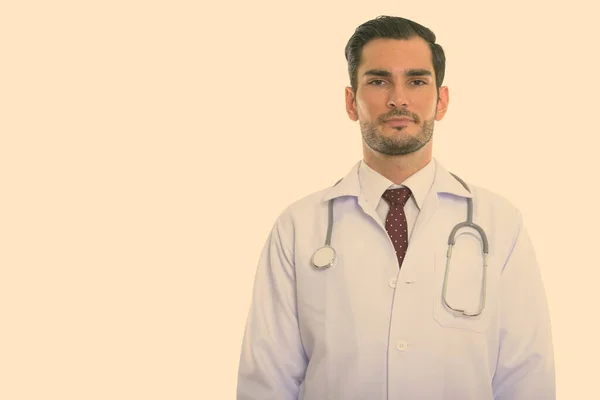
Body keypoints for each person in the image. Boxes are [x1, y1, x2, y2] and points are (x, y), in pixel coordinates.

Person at [236, 15, 555, 399]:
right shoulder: (298, 227)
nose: (398, 98)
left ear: (442, 100)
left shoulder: (500, 224)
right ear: (351, 102)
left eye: (417, 81)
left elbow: (526, 376)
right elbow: (267, 380)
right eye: (378, 80)